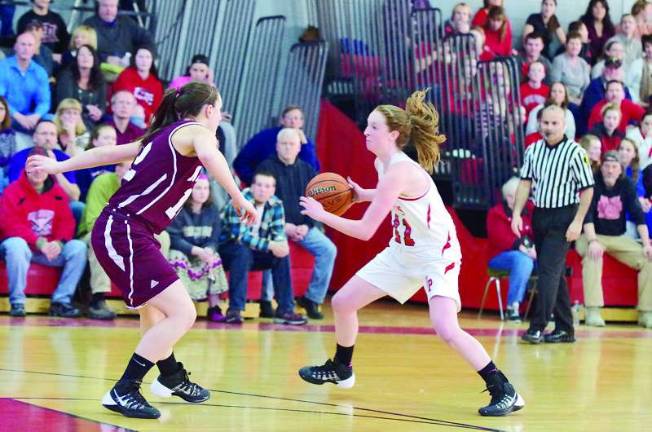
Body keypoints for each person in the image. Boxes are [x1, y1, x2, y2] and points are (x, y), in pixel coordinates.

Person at [26, 82, 257, 419]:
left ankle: (170, 376)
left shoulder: (161, 135)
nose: (220, 116)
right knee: (183, 313)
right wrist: (238, 196)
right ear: (209, 111)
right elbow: (210, 155)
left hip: (131, 231)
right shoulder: (196, 131)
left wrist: (58, 167)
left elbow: (106, 153)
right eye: (219, 110)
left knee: (154, 312)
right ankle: (125, 389)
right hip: (125, 231)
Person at [297, 90, 524, 417]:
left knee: (446, 327)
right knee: (343, 302)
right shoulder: (382, 164)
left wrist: (323, 215)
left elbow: (365, 230)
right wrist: (362, 194)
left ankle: (505, 389)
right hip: (403, 252)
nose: (365, 131)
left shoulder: (399, 169)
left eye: (373, 127)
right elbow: (394, 196)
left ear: (393, 135)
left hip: (436, 254)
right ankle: (341, 367)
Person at [512, 104, 595, 344]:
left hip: (564, 216)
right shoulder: (533, 149)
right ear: (539, 123)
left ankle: (538, 326)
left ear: (564, 125)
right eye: (545, 123)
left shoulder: (575, 151)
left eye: (554, 123)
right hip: (540, 214)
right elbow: (525, 183)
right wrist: (517, 213)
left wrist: (577, 222)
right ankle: (565, 328)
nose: (549, 127)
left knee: (547, 271)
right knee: (554, 273)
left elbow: (588, 189)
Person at [257, 128, 337, 320]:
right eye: (283, 144)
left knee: (329, 249)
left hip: (303, 227)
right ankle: (266, 300)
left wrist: (307, 225)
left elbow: (316, 202)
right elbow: (261, 203)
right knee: (275, 247)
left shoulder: (307, 170)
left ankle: (312, 298)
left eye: (291, 144)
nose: (287, 148)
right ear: (277, 146)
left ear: (299, 147)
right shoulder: (265, 168)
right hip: (274, 226)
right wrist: (284, 226)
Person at [0, 146, 87, 318]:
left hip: (48, 249)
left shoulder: (58, 193)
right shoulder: (12, 191)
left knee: (78, 247)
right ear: (26, 168)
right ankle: (17, 302)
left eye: (42, 166)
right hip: (22, 248)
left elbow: (67, 222)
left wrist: (59, 242)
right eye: (33, 166)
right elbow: (9, 225)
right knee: (16, 245)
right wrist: (39, 242)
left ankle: (61, 301)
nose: (38, 170)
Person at [219, 170, 306, 325]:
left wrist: (280, 245)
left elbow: (278, 235)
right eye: (259, 185)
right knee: (242, 252)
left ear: (272, 190)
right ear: (251, 187)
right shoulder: (239, 201)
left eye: (267, 186)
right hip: (227, 251)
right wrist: (272, 245)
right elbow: (240, 236)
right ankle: (235, 310)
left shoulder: (276, 204)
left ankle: (285, 310)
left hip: (255, 252)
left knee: (281, 255)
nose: (262, 189)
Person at [576, 151, 652, 329]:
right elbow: (586, 215)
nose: (610, 171)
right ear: (601, 168)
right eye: (607, 166)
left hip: (617, 237)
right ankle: (593, 310)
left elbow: (638, 216)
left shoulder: (626, 184)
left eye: (614, 167)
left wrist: (647, 244)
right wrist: (593, 241)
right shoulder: (592, 182)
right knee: (593, 254)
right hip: (590, 234)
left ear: (621, 170)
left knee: (649, 259)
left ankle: (646, 312)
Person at [167, 174, 228, 323]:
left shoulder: (212, 210)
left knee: (214, 257)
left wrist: (209, 249)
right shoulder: (179, 210)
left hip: (202, 254)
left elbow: (215, 238)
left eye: (206, 188)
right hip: (185, 253)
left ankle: (214, 308)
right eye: (198, 188)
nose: (202, 192)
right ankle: (179, 308)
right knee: (175, 256)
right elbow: (174, 239)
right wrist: (196, 250)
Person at [487, 177, 537, 322]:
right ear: (509, 197)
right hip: (500, 257)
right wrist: (523, 248)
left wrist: (535, 248)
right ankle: (512, 307)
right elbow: (499, 239)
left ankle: (548, 309)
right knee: (523, 260)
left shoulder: (529, 211)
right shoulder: (496, 213)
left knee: (550, 261)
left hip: (530, 255)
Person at [233, 105, 320, 185]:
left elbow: (312, 171)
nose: (293, 122)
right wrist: (255, 181)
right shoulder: (265, 137)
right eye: (289, 118)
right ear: (282, 120)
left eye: (296, 118)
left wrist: (305, 145)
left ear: (301, 123)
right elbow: (241, 161)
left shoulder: (306, 143)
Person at [0, 32, 50, 136]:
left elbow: (44, 102)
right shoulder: (3, 67)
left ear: (35, 49)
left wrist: (35, 116)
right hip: (7, 114)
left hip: (29, 117)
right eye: (23, 44)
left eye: (30, 45)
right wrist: (18, 116)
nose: (26, 48)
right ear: (16, 46)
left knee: (51, 119)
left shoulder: (39, 72)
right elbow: (0, 98)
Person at [83, 0, 154, 66]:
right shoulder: (89, 25)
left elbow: (148, 41)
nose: (108, 10)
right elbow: (82, 51)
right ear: (98, 7)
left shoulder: (127, 22)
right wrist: (104, 58)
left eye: (112, 6)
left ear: (117, 7)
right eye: (105, 6)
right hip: (97, 72)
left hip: (126, 71)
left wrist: (132, 60)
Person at [55, 44, 107, 130]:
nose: (85, 58)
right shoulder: (67, 76)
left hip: (93, 119)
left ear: (94, 59)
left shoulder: (99, 77)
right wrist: (86, 108)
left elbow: (102, 103)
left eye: (89, 55)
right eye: (81, 55)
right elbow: (65, 102)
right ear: (77, 59)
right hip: (71, 117)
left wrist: (100, 112)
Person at [112, 45, 163, 126]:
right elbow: (121, 100)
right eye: (140, 57)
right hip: (125, 117)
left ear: (152, 60)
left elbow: (156, 111)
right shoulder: (126, 75)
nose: (144, 61)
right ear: (135, 59)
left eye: (147, 57)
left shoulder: (157, 84)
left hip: (147, 123)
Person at [581, 0, 615, 65]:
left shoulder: (610, 27)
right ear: (591, 9)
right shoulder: (583, 24)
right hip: (586, 62)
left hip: (605, 62)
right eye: (596, 7)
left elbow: (612, 45)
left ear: (606, 10)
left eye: (602, 7)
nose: (599, 10)